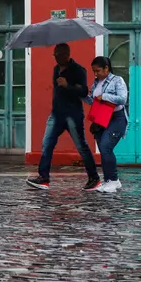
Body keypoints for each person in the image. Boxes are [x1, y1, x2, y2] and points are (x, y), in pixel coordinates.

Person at [27, 43, 101, 191]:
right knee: (47, 143)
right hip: (56, 114)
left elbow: (84, 91)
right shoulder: (56, 69)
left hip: (73, 114)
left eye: (58, 56)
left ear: (66, 55)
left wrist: (68, 85)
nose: (56, 59)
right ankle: (44, 178)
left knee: (81, 146)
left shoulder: (79, 70)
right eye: (54, 56)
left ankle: (94, 178)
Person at [84, 56, 129, 193]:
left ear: (106, 68)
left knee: (106, 146)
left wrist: (105, 96)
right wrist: (81, 94)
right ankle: (109, 180)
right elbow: (93, 101)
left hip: (116, 118)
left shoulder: (117, 81)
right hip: (101, 119)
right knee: (103, 150)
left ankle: (113, 180)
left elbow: (122, 99)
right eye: (94, 71)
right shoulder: (96, 82)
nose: (96, 74)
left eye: (98, 71)